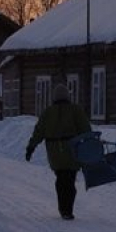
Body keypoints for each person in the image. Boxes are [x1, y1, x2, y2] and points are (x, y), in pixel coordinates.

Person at [25, 83, 91, 220]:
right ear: (68, 96)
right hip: (73, 151)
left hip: (55, 152)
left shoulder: (47, 112)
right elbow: (86, 130)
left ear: (54, 98)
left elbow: (38, 132)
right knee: (70, 180)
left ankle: (63, 208)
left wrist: (31, 147)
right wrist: (92, 145)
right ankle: (68, 210)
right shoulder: (76, 110)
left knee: (61, 179)